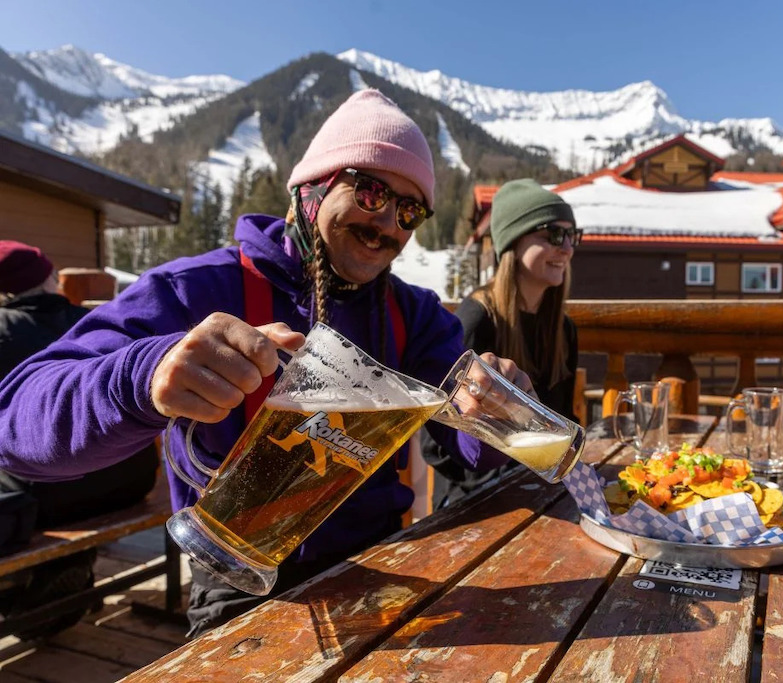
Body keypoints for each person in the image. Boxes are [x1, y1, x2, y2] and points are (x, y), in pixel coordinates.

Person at [0, 90, 525, 637]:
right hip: (239, 579)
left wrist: (493, 415)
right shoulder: (198, 288)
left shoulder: (410, 313)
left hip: (382, 558)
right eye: (370, 192)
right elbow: (14, 421)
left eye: (410, 210)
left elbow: (470, 441)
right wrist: (143, 376)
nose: (388, 224)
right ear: (312, 189)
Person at [0, 240, 159, 638]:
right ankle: (62, 577)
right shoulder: (97, 321)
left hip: (46, 501)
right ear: (50, 280)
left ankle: (27, 590)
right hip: (131, 482)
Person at [426, 179, 581, 508]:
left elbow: (562, 420)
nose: (566, 248)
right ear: (512, 243)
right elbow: (438, 446)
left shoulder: (562, 328)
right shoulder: (475, 320)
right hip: (473, 502)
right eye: (554, 234)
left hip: (538, 491)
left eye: (572, 236)